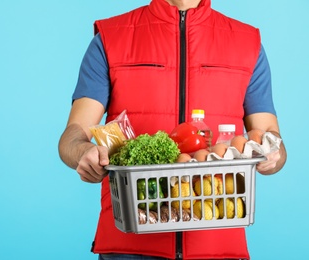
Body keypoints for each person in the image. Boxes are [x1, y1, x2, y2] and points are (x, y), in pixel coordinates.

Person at [58, 0, 287, 259]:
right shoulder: (111, 37)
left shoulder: (247, 43)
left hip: (218, 243)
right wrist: (82, 151)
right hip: (129, 244)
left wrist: (271, 155)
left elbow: (270, 136)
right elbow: (72, 136)